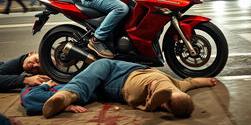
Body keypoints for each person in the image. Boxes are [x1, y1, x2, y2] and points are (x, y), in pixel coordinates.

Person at [20, 59, 216, 118]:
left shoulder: (175, 85)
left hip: (123, 76)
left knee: (97, 68)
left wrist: (200, 81)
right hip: (119, 91)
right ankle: (68, 97)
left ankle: (66, 95)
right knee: (89, 89)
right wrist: (206, 80)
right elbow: (192, 82)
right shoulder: (179, 85)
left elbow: (189, 83)